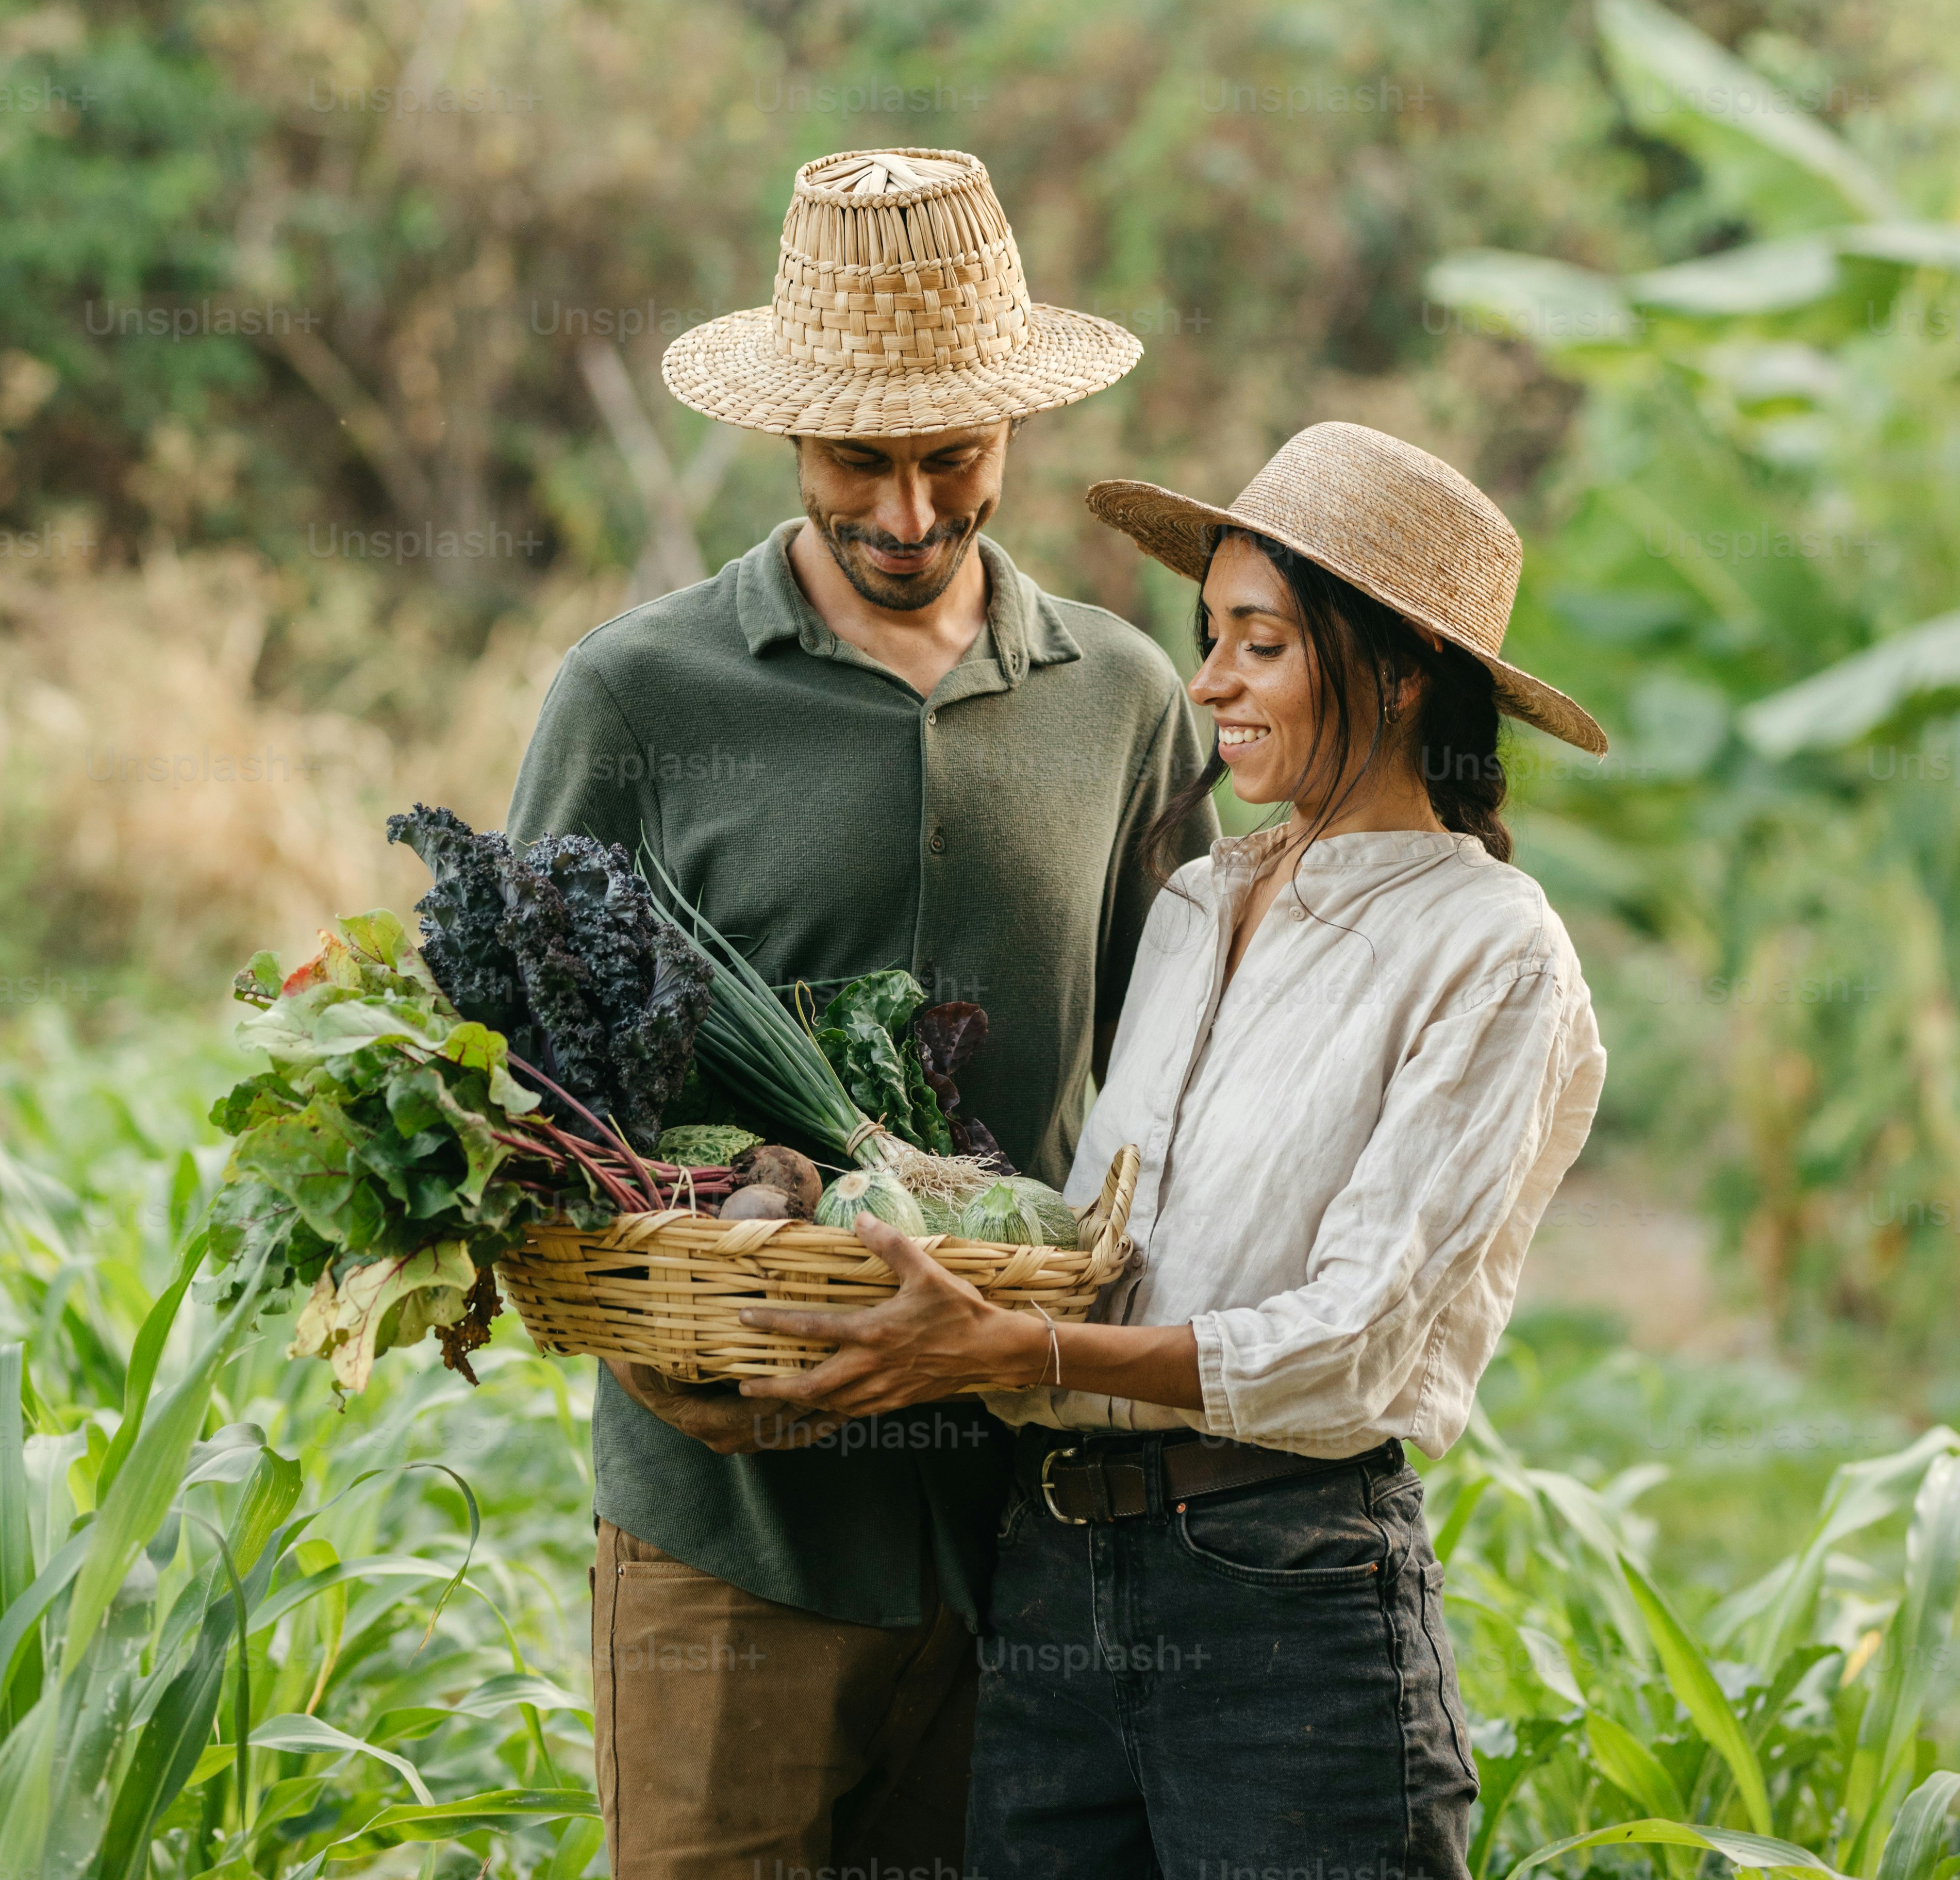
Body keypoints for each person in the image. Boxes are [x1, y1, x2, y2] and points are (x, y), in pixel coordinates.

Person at [740, 418, 1610, 1880]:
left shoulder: (1490, 955)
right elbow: (1111, 1243)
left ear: (1395, 674)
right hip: (1060, 1580)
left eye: (1258, 645)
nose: (1207, 683)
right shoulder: (1203, 901)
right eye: (1209, 637)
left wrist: (1021, 1354)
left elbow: (1345, 1348)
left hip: (1286, 1596)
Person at [504, 146, 1218, 1880]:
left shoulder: (1121, 701)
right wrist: (679, 1371)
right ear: (788, 440)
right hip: (730, 1535)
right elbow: (518, 1081)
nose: (907, 516)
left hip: (1028, 1534)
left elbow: (1194, 1084)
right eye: (860, 464)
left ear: (1013, 434)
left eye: (951, 459)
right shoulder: (635, 696)